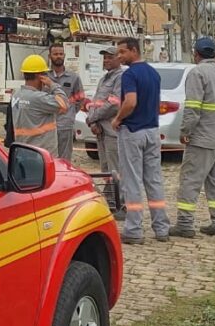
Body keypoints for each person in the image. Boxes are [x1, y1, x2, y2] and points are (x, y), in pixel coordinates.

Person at [170, 37, 215, 239]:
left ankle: (185, 224)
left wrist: (185, 132)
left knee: (190, 180)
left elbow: (193, 108)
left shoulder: (197, 73)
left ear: (196, 53)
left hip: (202, 139)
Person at [111, 36, 168, 245]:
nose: (119, 56)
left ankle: (134, 229)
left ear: (134, 51)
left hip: (132, 131)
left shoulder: (129, 75)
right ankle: (161, 227)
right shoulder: (153, 73)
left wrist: (118, 119)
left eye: (122, 52)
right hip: (152, 131)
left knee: (132, 181)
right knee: (154, 180)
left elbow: (131, 101)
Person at [9, 54, 69, 154]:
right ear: (39, 75)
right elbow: (64, 104)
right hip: (42, 155)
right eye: (44, 74)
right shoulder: (38, 98)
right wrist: (52, 85)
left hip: (23, 150)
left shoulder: (16, 94)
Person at [85, 46, 124, 174]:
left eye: (110, 58)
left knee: (115, 170)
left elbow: (113, 104)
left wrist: (92, 118)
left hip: (112, 131)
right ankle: (108, 194)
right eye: (104, 58)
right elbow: (95, 102)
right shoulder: (103, 79)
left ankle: (118, 194)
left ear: (119, 59)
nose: (106, 60)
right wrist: (93, 122)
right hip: (100, 130)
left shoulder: (120, 77)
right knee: (105, 168)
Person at [46, 43, 84, 160]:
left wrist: (70, 113)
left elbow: (80, 98)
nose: (58, 56)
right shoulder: (44, 77)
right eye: (55, 54)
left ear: (64, 55)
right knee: (48, 158)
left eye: (61, 54)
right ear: (49, 56)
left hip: (65, 125)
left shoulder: (73, 77)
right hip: (47, 125)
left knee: (64, 159)